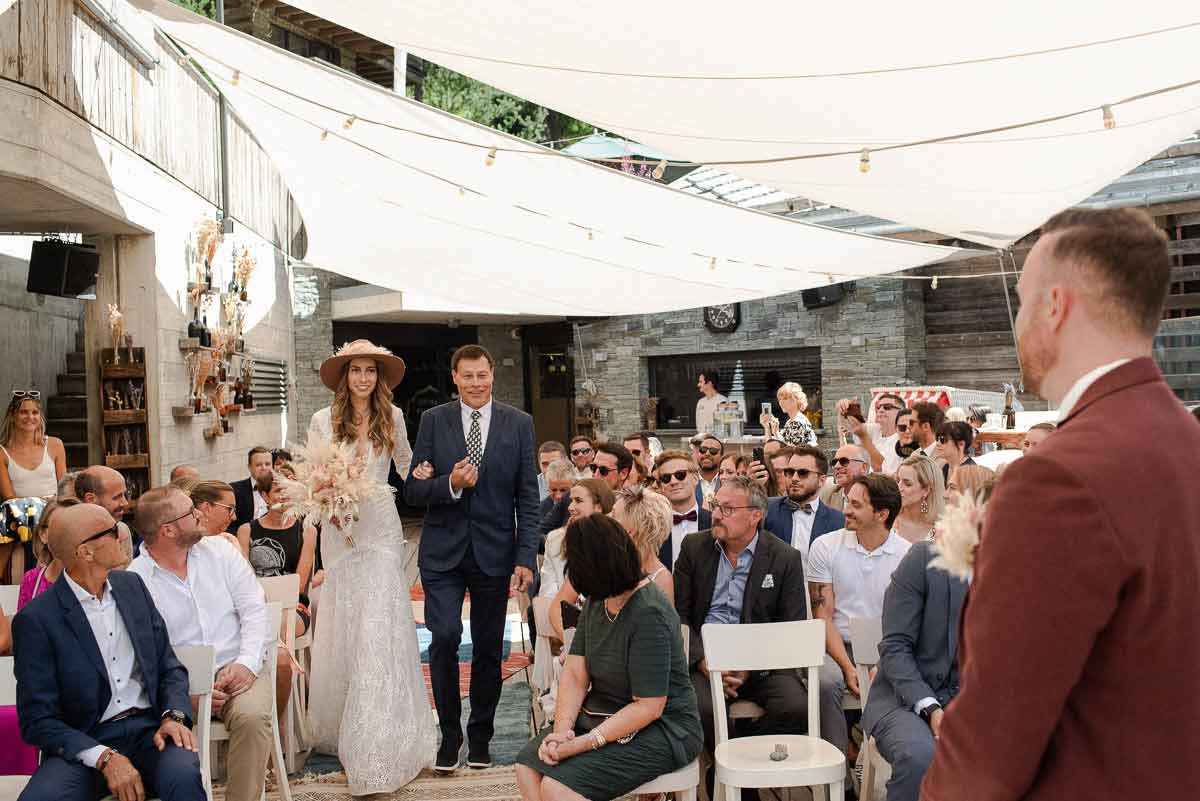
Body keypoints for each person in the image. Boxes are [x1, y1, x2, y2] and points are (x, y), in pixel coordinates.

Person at [921, 208, 1200, 800]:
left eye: (1021, 302)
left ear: (1055, 306)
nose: (1018, 321)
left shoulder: (1056, 478)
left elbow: (989, 747)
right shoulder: (1184, 443)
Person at [294, 340, 437, 791]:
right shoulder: (322, 419)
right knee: (348, 620)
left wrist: (427, 475)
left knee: (379, 621)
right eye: (355, 370)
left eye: (370, 370)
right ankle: (342, 722)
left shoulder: (391, 417)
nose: (362, 377)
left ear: (378, 377)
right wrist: (324, 497)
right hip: (339, 530)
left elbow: (406, 466)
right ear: (344, 375)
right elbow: (311, 472)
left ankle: (376, 738)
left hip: (380, 526)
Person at [405, 343, 539, 774]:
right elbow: (413, 490)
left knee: (487, 648)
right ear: (455, 378)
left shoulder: (519, 424)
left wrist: (525, 557)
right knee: (443, 638)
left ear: (492, 376)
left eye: (483, 375)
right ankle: (449, 735)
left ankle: (480, 736)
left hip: (495, 553)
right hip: (442, 553)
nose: (477, 383)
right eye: (468, 376)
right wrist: (450, 483)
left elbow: (527, 498)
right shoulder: (433, 420)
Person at [13, 502, 204, 801]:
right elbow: (37, 720)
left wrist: (173, 717)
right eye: (112, 531)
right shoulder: (37, 619)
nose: (123, 535)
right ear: (85, 552)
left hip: (150, 732)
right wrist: (103, 757)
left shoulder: (132, 587)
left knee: (184, 777)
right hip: (85, 742)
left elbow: (169, 667)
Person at [516, 513, 702, 801]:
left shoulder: (649, 612)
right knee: (528, 767)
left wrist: (580, 745)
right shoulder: (598, 598)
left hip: (663, 729)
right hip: (604, 711)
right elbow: (576, 673)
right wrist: (562, 732)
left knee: (557, 789)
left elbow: (649, 707)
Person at [128, 487, 273, 801]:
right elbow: (141, 657)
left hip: (237, 672)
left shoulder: (221, 552)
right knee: (165, 747)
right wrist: (184, 696)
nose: (200, 515)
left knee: (251, 718)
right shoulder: (135, 579)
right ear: (168, 530)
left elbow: (254, 609)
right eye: (190, 513)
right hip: (177, 690)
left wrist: (246, 664)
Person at [673, 477, 808, 793]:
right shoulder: (694, 548)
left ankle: (736, 759)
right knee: (699, 708)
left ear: (755, 515)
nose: (716, 515)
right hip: (704, 660)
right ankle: (741, 785)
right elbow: (677, 615)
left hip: (761, 665)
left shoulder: (784, 558)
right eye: (715, 506)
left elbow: (790, 627)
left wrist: (749, 666)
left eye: (727, 508)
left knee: (797, 707)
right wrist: (704, 661)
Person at [808, 474, 910, 767]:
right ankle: (836, 771)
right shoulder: (825, 546)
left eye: (856, 504)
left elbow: (903, 623)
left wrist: (883, 663)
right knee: (827, 681)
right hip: (834, 644)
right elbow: (822, 615)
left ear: (882, 514)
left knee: (901, 679)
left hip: (885, 648)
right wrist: (848, 666)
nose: (846, 510)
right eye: (846, 502)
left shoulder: (906, 555)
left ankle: (882, 766)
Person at [862, 537, 968, 801]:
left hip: (975, 702)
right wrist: (931, 707)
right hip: (905, 699)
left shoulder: (1014, 570)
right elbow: (895, 646)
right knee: (920, 756)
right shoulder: (924, 558)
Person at [2, 498, 80, 777]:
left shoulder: (91, 578)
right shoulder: (32, 580)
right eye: (58, 526)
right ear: (44, 534)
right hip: (41, 681)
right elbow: (21, 641)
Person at [1, 391, 66, 576]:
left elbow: (64, 488)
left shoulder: (55, 445)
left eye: (35, 412)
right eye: (24, 412)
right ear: (13, 416)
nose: (30, 417)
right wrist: (38, 502)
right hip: (21, 511)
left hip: (54, 508)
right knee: (10, 510)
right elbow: (9, 497)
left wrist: (51, 503)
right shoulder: (1, 452)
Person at [542, 478, 616, 635]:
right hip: (564, 624)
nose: (570, 507)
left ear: (599, 506)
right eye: (571, 501)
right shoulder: (556, 539)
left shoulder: (617, 541)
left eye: (578, 501)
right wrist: (571, 643)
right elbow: (548, 593)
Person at [764, 445, 845, 562]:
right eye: (790, 472)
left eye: (803, 473)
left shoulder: (838, 522)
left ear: (821, 480)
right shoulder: (766, 509)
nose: (794, 478)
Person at [611, 485, 674, 600]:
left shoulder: (661, 580)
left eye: (613, 516)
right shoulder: (611, 563)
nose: (607, 519)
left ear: (630, 530)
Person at [652, 451, 712, 571]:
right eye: (666, 478)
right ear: (660, 486)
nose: (673, 482)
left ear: (695, 479)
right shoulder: (654, 528)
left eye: (680, 475)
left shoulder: (715, 522)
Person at [74, 466, 135, 559]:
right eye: (116, 497)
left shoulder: (122, 530)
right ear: (90, 499)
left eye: (124, 495)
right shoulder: (70, 536)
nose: (125, 503)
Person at [892, 454, 944, 544]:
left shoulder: (941, 529)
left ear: (926, 490)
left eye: (907, 484)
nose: (898, 488)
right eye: (897, 481)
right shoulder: (886, 518)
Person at [190, 479, 245, 554]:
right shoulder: (185, 545)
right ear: (207, 508)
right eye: (230, 509)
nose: (234, 517)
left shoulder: (229, 541)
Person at [227, 447, 273, 534]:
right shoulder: (234, 490)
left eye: (267, 464)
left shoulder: (281, 489)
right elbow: (229, 523)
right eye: (259, 465)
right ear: (249, 467)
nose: (264, 468)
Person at [818, 444, 871, 512]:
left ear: (863, 467)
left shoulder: (877, 497)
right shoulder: (827, 495)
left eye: (844, 461)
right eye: (834, 462)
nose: (836, 466)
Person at [770, 381, 817, 447]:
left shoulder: (797, 422)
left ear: (796, 400)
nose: (781, 402)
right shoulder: (790, 421)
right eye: (779, 399)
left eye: (785, 398)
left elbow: (792, 450)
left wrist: (775, 432)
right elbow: (785, 442)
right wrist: (775, 431)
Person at [695, 367, 727, 434]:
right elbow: (698, 425)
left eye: (701, 382)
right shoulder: (700, 402)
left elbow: (726, 426)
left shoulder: (723, 401)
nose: (698, 384)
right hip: (703, 441)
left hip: (717, 441)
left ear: (709, 383)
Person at [693, 435, 723, 506]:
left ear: (721, 456)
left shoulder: (727, 480)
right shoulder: (687, 480)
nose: (707, 454)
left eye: (713, 451)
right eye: (703, 450)